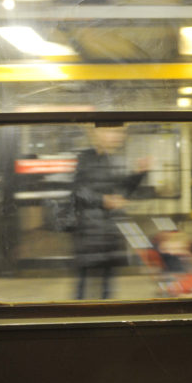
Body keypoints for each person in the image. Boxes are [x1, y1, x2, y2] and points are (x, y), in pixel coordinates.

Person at [72, 125, 149, 300]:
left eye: (120, 132)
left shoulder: (112, 159)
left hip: (108, 231)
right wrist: (103, 200)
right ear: (97, 134)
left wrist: (138, 174)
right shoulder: (86, 158)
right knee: (83, 288)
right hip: (90, 232)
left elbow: (120, 190)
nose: (118, 136)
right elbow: (78, 191)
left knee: (107, 287)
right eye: (112, 131)